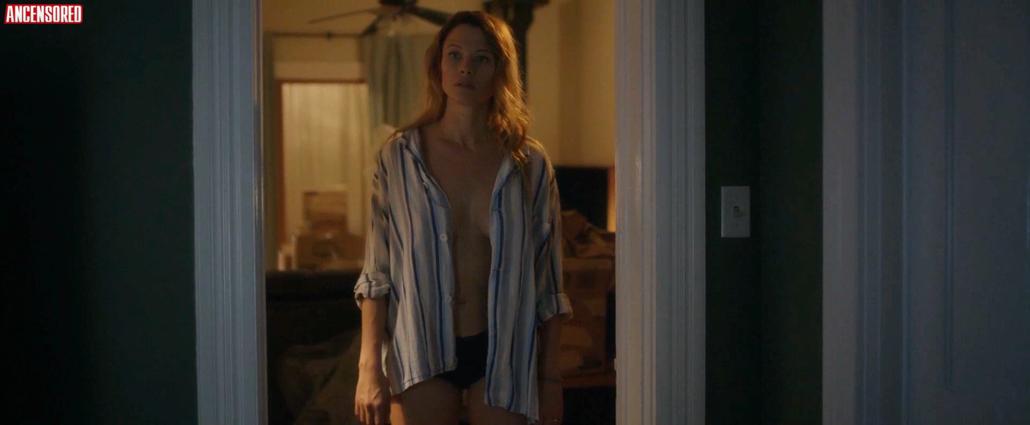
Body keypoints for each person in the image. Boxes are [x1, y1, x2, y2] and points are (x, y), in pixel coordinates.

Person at [352, 10, 573, 425]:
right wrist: (369, 369)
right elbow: (377, 274)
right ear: (438, 66)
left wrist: (550, 379)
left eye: (481, 58)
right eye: (454, 55)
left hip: (504, 352)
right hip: (420, 349)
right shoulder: (400, 157)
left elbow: (548, 282)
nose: (465, 68)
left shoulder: (529, 165)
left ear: (500, 71)